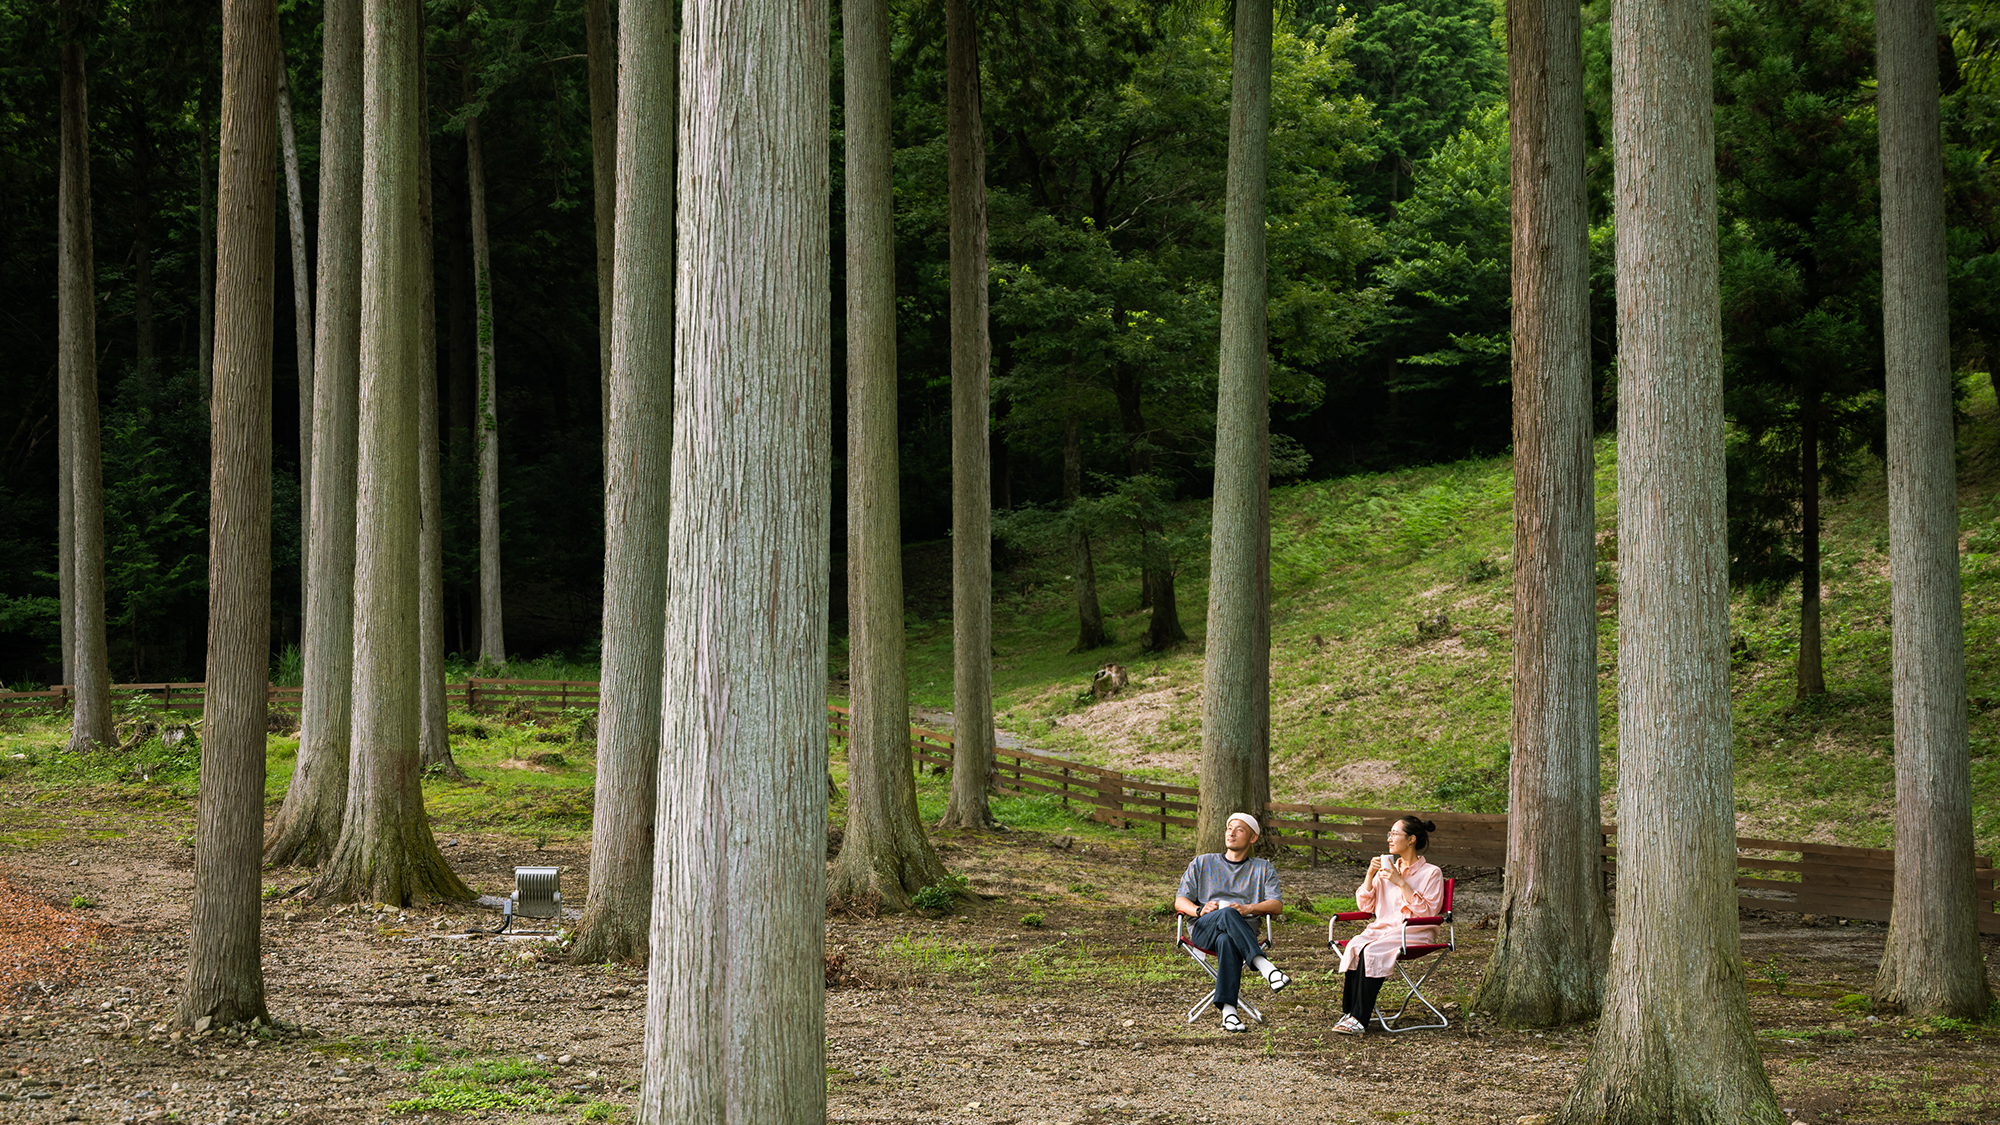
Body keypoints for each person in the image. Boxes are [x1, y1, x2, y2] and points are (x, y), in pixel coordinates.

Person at [1174, 812, 1290, 1032]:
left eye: (1239, 830)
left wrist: (1248, 908)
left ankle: (1229, 1013)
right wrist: (1199, 910)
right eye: (1229, 828)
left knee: (1227, 940)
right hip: (1204, 929)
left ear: (1253, 838)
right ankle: (1266, 968)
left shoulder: (1263, 868)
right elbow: (1180, 900)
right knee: (1226, 913)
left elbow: (1276, 905)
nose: (1232, 833)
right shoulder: (1203, 862)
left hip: (1241, 933)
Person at [1333, 815, 1442, 1035]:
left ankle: (1360, 1019)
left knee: (1372, 950)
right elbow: (1366, 906)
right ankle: (1350, 1013)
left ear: (1411, 839)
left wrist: (1400, 882)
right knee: (1356, 945)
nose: (1389, 839)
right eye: (1389, 834)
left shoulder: (1432, 873)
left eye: (1394, 833)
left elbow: (1428, 912)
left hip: (1413, 932)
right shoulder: (1386, 870)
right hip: (1383, 930)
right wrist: (1370, 873)